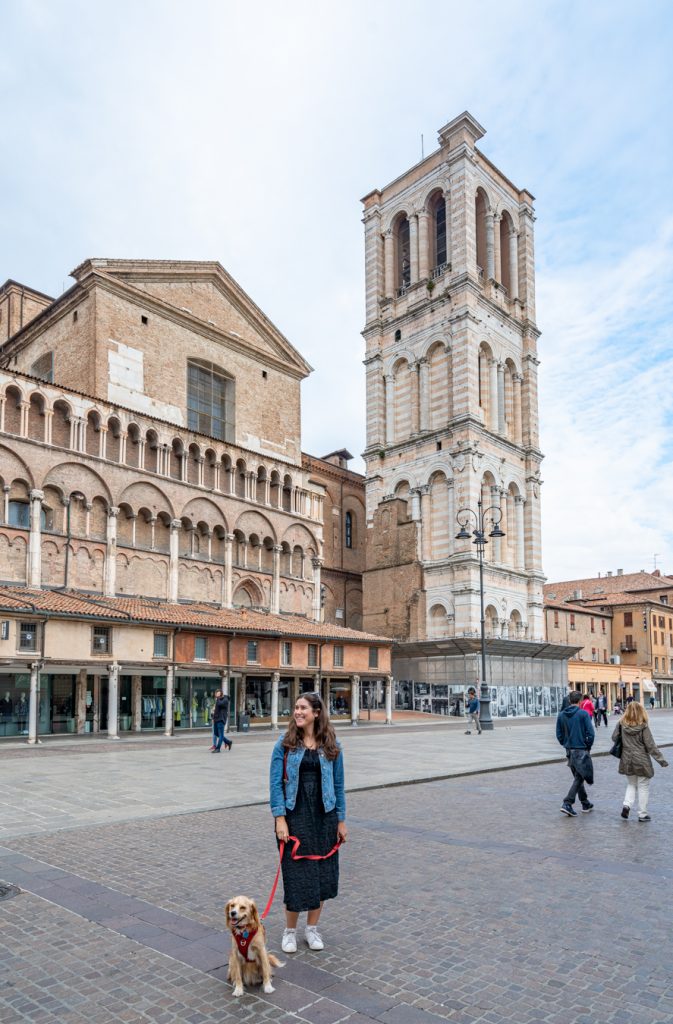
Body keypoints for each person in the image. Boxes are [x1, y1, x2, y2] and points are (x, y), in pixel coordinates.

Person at [270, 692, 347, 954]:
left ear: (316, 713)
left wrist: (341, 821)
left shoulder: (331, 744)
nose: (298, 712)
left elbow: (339, 785)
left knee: (322, 875)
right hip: (295, 814)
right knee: (296, 875)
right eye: (296, 707)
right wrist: (280, 818)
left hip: (324, 815)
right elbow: (274, 784)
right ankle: (289, 931)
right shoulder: (285, 743)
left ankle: (312, 929)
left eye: (303, 708)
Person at [612, 700, 668, 822]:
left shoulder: (621, 724)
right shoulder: (643, 726)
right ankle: (642, 814)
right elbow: (651, 746)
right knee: (643, 786)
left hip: (627, 758)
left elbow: (614, 737)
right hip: (641, 759)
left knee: (631, 784)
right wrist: (661, 760)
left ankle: (626, 805)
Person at [556, 690, 595, 817]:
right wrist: (587, 746)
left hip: (569, 750)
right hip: (581, 749)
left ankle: (585, 803)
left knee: (578, 777)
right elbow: (591, 733)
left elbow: (559, 735)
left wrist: (566, 743)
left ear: (569, 701)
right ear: (579, 701)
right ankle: (568, 802)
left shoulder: (561, 715)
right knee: (579, 777)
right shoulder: (583, 714)